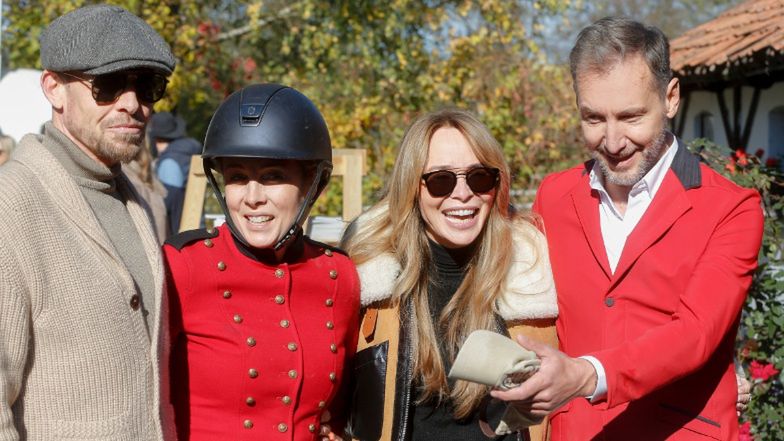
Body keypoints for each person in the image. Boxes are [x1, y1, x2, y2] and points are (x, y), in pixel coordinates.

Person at [492, 17, 764, 440]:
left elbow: (694, 333)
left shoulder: (732, 208)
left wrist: (585, 375)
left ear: (671, 97)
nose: (614, 141)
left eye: (631, 116)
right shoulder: (555, 194)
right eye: (594, 118)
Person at [0, 4, 176, 440]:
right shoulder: (11, 205)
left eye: (148, 86)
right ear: (54, 89)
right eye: (109, 85)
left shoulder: (145, 204)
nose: (132, 104)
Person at [342, 108, 558, 441]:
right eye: (440, 180)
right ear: (412, 187)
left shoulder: (531, 273)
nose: (462, 194)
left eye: (479, 177)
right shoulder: (368, 276)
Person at [164, 83, 360, 440]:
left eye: (273, 177)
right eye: (238, 178)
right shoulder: (182, 265)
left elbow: (342, 408)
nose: (252, 198)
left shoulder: (339, 274)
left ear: (312, 185)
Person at [148, 111, 202, 235]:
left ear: (157, 140)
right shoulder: (188, 153)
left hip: (178, 231)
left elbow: (169, 203)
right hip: (196, 223)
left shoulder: (169, 163)